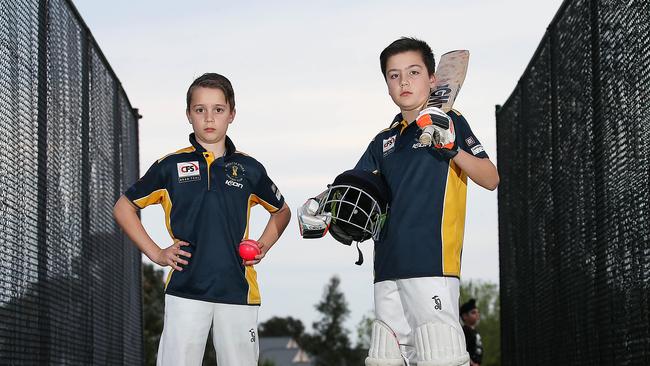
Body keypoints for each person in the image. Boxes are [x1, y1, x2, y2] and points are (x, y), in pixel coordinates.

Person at [298, 37, 499, 366]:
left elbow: (491, 178)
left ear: (433, 79)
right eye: (394, 75)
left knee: (442, 357)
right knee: (386, 359)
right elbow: (351, 186)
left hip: (432, 264)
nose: (404, 81)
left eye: (414, 72)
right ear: (387, 84)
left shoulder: (450, 123)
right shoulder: (383, 140)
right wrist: (320, 206)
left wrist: (451, 149)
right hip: (387, 268)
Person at [113, 73, 291, 366]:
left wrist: (263, 245)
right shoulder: (170, 166)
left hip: (238, 289)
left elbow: (281, 211)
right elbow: (123, 207)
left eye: (218, 109)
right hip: (186, 288)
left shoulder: (249, 168)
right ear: (188, 114)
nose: (209, 118)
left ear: (231, 114)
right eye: (200, 109)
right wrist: (157, 253)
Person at [460, 299, 483, 366]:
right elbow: (462, 350)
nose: (477, 314)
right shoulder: (464, 331)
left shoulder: (474, 331)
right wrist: (471, 363)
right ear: (465, 316)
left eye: (477, 312)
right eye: (473, 312)